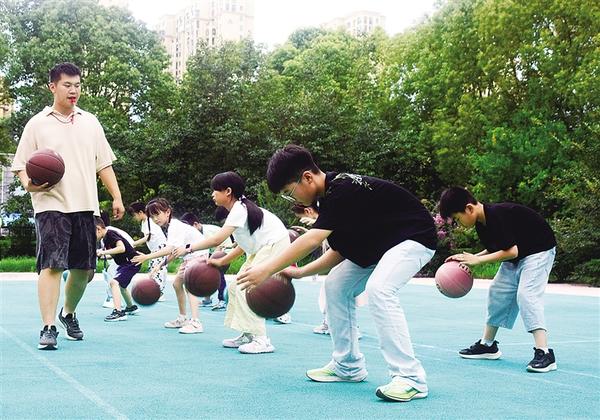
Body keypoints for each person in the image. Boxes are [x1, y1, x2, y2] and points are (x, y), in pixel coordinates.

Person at [237, 145, 437, 402]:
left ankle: (411, 378)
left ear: (307, 177)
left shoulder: (342, 190)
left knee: (380, 289)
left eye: (289, 192)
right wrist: (300, 272)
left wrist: (267, 268)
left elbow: (312, 239)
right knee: (335, 285)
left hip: (414, 237)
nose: (292, 200)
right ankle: (348, 366)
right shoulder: (329, 199)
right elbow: (339, 252)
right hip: (380, 246)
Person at [10, 62, 124, 350]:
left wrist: (117, 196)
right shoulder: (37, 123)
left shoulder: (91, 122)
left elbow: (104, 164)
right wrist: (28, 184)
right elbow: (21, 165)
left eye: (77, 85)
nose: (74, 91)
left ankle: (68, 313)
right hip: (50, 204)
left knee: (84, 270)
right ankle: (48, 326)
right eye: (67, 85)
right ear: (53, 87)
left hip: (85, 205)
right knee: (52, 264)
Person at [438, 186, 558, 373]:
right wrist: (470, 259)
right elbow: (497, 247)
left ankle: (545, 353)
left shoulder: (497, 215)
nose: (458, 223)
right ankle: (487, 345)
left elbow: (511, 251)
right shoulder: (482, 223)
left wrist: (478, 260)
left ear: (469, 208)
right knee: (497, 292)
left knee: (527, 295)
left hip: (538, 251)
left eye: (457, 218)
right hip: (519, 254)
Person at [172, 171, 290, 354]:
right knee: (235, 287)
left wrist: (188, 248)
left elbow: (216, 240)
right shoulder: (239, 211)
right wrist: (222, 261)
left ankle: (262, 339)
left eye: (215, 190)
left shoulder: (239, 209)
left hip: (275, 244)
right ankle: (248, 334)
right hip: (262, 248)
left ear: (228, 191)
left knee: (246, 287)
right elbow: (242, 246)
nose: (212, 194)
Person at [132, 198, 208, 334]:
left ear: (167, 212)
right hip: (189, 256)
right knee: (177, 284)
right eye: (152, 216)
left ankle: (196, 323)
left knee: (189, 286)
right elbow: (174, 251)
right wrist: (160, 265)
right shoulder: (170, 227)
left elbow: (169, 249)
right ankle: (183, 318)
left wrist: (147, 257)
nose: (155, 219)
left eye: (157, 214)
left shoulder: (175, 226)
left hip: (198, 255)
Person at [290, 203, 365, 337]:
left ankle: (349, 327)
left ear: (308, 211)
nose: (301, 220)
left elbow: (337, 237)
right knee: (331, 291)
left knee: (338, 293)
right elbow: (325, 241)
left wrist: (314, 225)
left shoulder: (329, 217)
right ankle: (332, 323)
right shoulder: (325, 222)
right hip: (347, 261)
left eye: (300, 217)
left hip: (352, 261)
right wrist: (308, 230)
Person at [180, 211, 232, 310]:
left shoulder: (208, 231)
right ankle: (207, 299)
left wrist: (210, 260)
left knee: (217, 272)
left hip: (225, 251)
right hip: (213, 251)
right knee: (205, 272)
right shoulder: (196, 233)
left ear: (196, 224)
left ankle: (222, 300)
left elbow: (217, 245)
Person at [95, 217, 140, 321]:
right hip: (125, 264)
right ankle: (131, 307)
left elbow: (121, 248)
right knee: (122, 286)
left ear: (98, 229)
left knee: (114, 282)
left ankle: (118, 312)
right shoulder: (105, 239)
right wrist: (101, 254)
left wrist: (103, 252)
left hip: (132, 262)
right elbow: (114, 253)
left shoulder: (110, 234)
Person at [128, 202, 168, 301]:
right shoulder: (144, 222)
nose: (134, 218)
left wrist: (133, 243)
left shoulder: (150, 221)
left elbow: (147, 237)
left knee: (158, 270)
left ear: (140, 212)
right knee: (153, 270)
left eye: (134, 215)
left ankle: (159, 292)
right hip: (155, 249)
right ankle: (156, 291)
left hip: (160, 248)